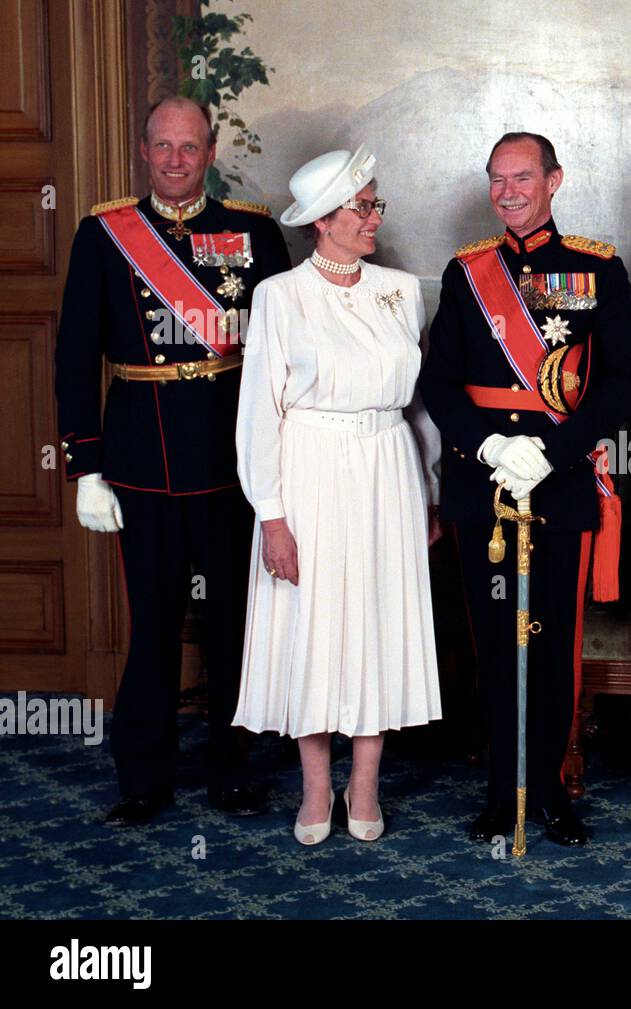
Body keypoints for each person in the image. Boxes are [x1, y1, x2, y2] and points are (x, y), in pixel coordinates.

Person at [53, 96, 291, 826]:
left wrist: (288, 466)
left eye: (190, 147)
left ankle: (232, 767)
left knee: (232, 627)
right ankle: (144, 777)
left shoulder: (253, 231)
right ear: (144, 149)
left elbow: (283, 357)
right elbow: (72, 355)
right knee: (153, 623)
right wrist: (85, 467)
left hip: (231, 457)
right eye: (164, 146)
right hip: (142, 459)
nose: (177, 160)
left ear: (210, 151)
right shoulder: (104, 233)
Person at [419, 132, 631, 847]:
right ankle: (499, 789)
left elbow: (623, 383)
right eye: (497, 179)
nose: (508, 191)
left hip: (561, 481)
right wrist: (489, 446)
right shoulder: (466, 273)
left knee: (552, 643)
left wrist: (550, 451)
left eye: (522, 177)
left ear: (554, 181)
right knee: (492, 641)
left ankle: (548, 787)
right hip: (481, 483)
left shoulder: (597, 268)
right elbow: (438, 381)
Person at [232, 146, 443, 845]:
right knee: (315, 625)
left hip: (388, 469)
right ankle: (317, 785)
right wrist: (273, 516)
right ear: (323, 221)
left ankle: (367, 782)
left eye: (375, 202)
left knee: (376, 619)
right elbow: (261, 412)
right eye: (364, 205)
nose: (375, 216)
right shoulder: (279, 297)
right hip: (311, 469)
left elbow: (420, 407)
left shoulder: (400, 289)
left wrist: (432, 490)